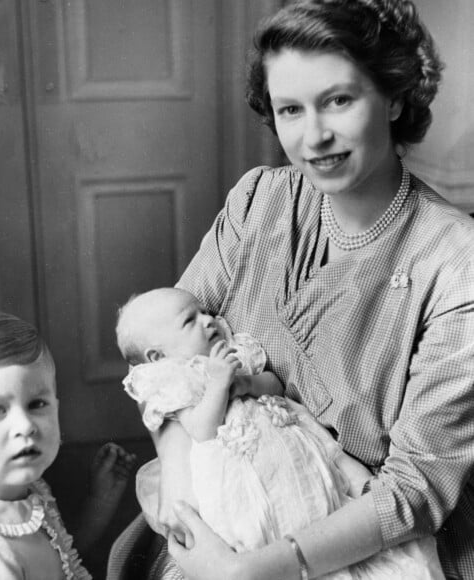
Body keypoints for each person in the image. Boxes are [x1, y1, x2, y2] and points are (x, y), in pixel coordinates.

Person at [143, 1, 474, 579]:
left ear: (395, 97)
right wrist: (178, 481)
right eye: (290, 109)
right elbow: (169, 361)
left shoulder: (454, 261)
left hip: (371, 544)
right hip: (231, 510)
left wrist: (256, 571)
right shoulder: (259, 201)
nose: (314, 136)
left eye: (339, 100)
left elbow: (415, 492)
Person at [116, 287, 443, 579]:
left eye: (206, 311)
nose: (209, 320)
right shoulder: (180, 379)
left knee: (323, 502)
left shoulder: (233, 351)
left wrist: (246, 382)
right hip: (239, 478)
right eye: (191, 320)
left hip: (290, 452)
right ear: (158, 357)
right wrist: (217, 383)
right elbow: (202, 428)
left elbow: (274, 386)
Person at [0, 311, 137, 580]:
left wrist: (99, 503)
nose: (26, 425)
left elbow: (56, 562)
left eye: (37, 404)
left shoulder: (23, 492)